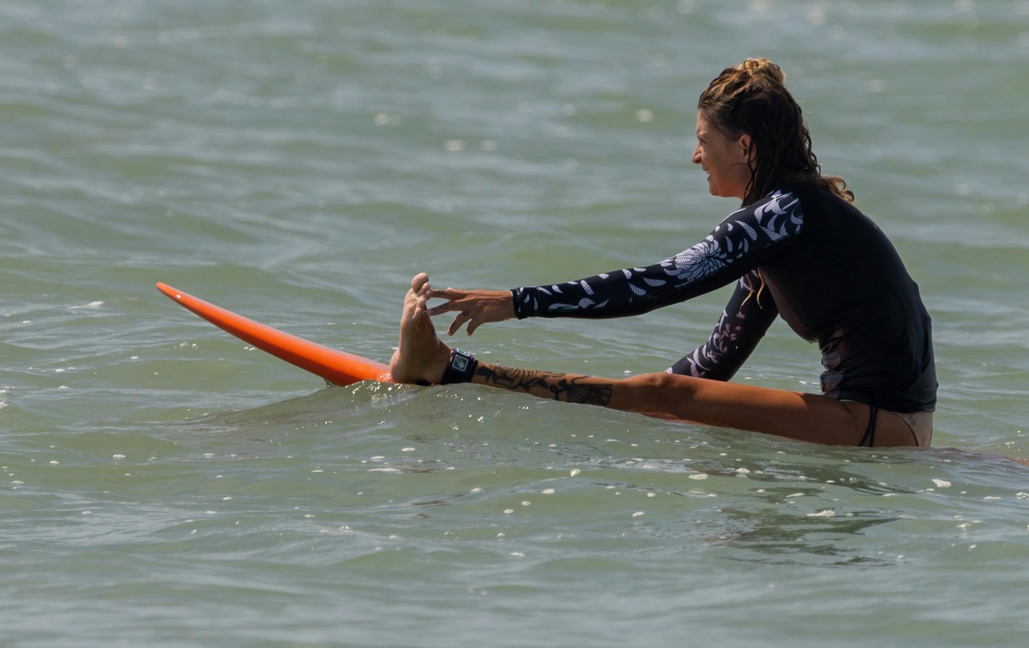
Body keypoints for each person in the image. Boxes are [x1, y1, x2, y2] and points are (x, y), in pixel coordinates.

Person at [389, 58, 937, 448]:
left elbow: (655, 285)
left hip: (876, 423)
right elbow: (713, 364)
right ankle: (454, 372)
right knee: (667, 392)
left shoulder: (783, 216)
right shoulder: (790, 225)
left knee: (665, 392)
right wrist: (636, 409)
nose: (694, 155)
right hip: (887, 424)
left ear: (744, 145)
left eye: (704, 139)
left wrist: (516, 302)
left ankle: (449, 370)